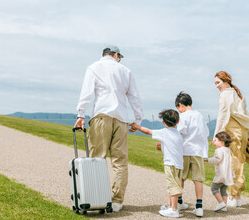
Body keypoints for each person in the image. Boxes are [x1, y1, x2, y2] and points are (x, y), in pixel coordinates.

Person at [74, 45, 144, 212]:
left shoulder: (94, 67)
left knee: (97, 159)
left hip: (101, 116)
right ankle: (117, 200)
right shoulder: (125, 71)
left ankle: (95, 198)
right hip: (121, 119)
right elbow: (134, 96)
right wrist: (138, 119)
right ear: (115, 55)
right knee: (120, 162)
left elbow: (87, 93)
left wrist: (81, 114)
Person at [213, 71, 249, 207]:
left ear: (226, 81)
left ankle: (233, 196)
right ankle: (236, 196)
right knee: (239, 161)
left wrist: (217, 135)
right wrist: (248, 134)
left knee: (232, 163)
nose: (216, 86)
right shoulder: (239, 94)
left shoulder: (225, 94)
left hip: (231, 130)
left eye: (218, 82)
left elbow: (223, 114)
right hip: (242, 131)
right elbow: (245, 114)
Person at [130, 109, 183, 218]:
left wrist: (138, 127)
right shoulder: (178, 134)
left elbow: (148, 131)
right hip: (179, 164)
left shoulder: (164, 132)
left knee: (172, 187)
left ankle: (174, 210)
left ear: (164, 122)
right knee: (173, 185)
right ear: (178, 122)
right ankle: (170, 206)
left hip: (170, 164)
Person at [175, 91, 209, 217]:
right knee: (198, 179)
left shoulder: (183, 116)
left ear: (180, 105)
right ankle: (199, 206)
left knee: (181, 177)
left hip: (184, 150)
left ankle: (179, 202)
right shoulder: (199, 115)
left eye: (178, 108)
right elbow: (206, 132)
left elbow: (180, 131)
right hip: (198, 151)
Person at [204, 131, 234, 213]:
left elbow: (217, 160)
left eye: (215, 140)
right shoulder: (227, 150)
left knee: (214, 189)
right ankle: (224, 206)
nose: (214, 142)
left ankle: (221, 203)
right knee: (223, 190)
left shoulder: (219, 150)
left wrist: (207, 159)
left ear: (222, 141)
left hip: (221, 174)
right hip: (227, 174)